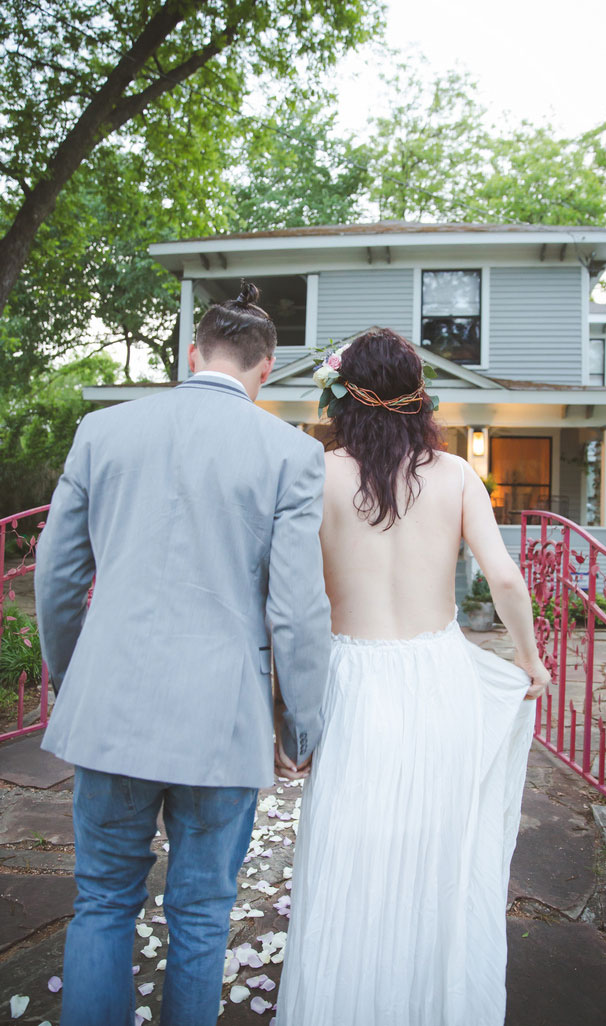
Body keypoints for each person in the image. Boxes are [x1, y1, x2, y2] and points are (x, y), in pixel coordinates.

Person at [35, 283, 331, 1026]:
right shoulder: (292, 454)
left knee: (102, 901)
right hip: (221, 721)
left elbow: (58, 574)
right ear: (265, 369)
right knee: (201, 916)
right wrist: (300, 726)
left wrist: (75, 678)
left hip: (111, 708)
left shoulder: (103, 432)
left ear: (192, 354)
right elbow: (298, 609)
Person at [275, 327, 551, 1026]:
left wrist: (283, 702)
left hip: (350, 680)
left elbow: (292, 597)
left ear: (343, 398)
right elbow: (507, 578)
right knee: (436, 850)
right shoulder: (455, 475)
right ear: (416, 394)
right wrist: (529, 659)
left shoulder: (318, 472)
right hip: (437, 679)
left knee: (348, 853)